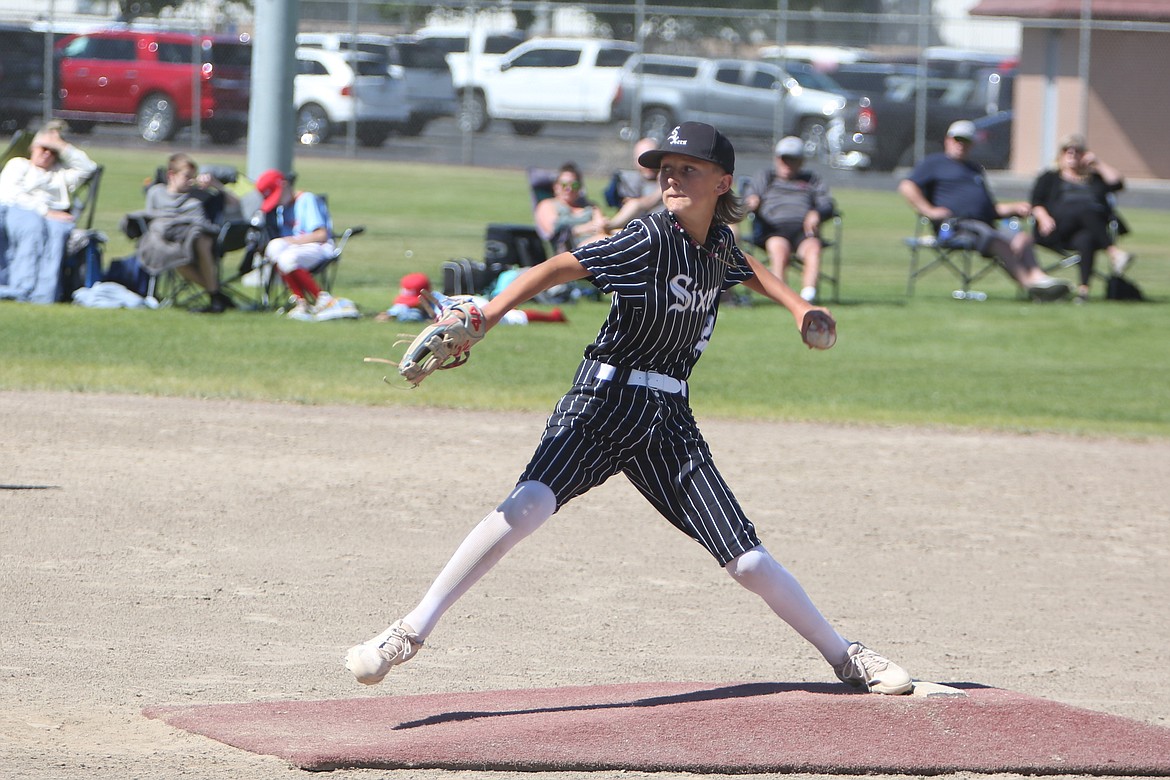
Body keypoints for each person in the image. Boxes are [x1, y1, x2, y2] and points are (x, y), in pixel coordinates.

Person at [346, 121, 914, 697]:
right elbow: (560, 267)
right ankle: (409, 631)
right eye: (665, 167)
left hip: (668, 418)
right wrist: (489, 315)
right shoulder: (648, 238)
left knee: (746, 561)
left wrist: (798, 306)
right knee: (529, 505)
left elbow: (746, 267)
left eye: (688, 167)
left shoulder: (715, 243)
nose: (671, 176)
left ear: (723, 183)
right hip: (603, 401)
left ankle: (847, 658)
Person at [898, 120, 1072, 301]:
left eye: (965, 141)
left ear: (972, 144)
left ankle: (1040, 279)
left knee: (1023, 238)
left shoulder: (974, 169)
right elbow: (907, 186)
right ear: (947, 140)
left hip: (985, 224)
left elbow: (990, 208)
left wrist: (1013, 207)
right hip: (956, 226)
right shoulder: (934, 163)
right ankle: (1031, 286)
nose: (960, 145)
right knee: (997, 240)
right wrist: (929, 210)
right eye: (957, 140)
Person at [0, 121, 98, 304]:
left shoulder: (60, 174)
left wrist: (62, 145)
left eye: (52, 151)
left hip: (54, 217)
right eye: (43, 148)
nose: (47, 154)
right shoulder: (18, 165)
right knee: (33, 227)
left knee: (56, 233)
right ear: (32, 148)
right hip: (18, 211)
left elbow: (88, 168)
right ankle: (20, 287)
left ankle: (43, 295)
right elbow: (9, 194)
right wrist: (44, 212)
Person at [1031, 133, 1133, 302]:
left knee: (1086, 239)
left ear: (1084, 154)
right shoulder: (1049, 177)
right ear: (1060, 154)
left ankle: (1083, 292)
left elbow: (1118, 183)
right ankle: (1114, 252)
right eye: (1067, 150)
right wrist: (1043, 217)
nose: (1072, 154)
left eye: (1077, 150)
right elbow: (1036, 201)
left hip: (1090, 230)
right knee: (1083, 208)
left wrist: (1097, 163)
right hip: (1056, 228)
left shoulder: (1094, 179)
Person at [135, 152, 236, 313]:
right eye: (187, 177)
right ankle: (216, 295)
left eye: (193, 177)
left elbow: (235, 203)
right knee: (175, 257)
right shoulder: (156, 192)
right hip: (170, 243)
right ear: (171, 175)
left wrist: (215, 184)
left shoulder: (199, 194)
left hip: (198, 238)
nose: (191, 181)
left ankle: (216, 297)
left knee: (202, 239)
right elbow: (151, 218)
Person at [254, 169, 357, 322]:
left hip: (319, 247)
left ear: (284, 185)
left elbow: (320, 235)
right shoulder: (282, 209)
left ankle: (323, 299)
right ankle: (301, 302)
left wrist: (289, 241)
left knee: (286, 256)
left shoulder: (306, 199)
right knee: (274, 248)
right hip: (298, 250)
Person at [742, 136, 833, 303]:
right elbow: (748, 199)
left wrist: (817, 213)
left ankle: (808, 297)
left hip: (804, 230)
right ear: (777, 159)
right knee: (780, 250)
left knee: (813, 248)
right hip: (774, 228)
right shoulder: (766, 177)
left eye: (793, 159)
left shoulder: (812, 180)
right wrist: (752, 201)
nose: (788, 164)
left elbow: (828, 204)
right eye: (784, 159)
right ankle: (781, 296)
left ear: (801, 161)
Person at [534, 162, 609, 253]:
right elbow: (554, 232)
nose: (569, 189)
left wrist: (603, 224)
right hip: (571, 251)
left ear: (580, 188)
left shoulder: (591, 206)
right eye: (564, 185)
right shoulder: (547, 205)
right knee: (604, 240)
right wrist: (585, 228)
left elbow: (601, 224)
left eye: (574, 185)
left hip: (598, 242)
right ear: (556, 187)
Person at [604, 137, 665, 231]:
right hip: (635, 228)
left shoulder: (668, 178)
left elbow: (640, 204)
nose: (647, 166)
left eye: (651, 160)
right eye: (642, 160)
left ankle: (608, 226)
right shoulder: (630, 180)